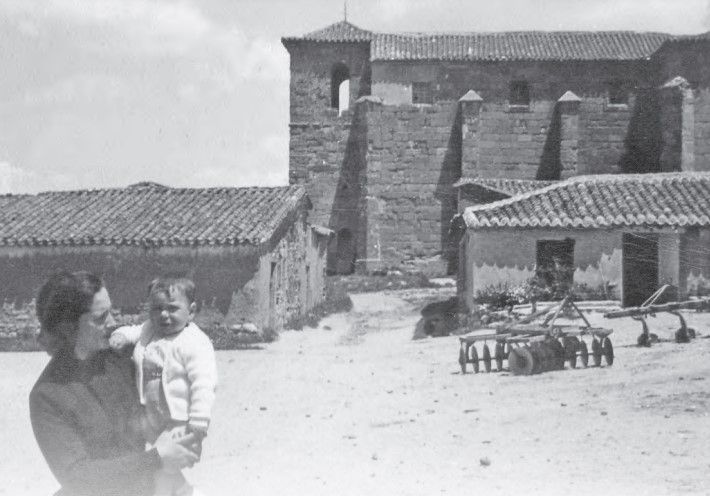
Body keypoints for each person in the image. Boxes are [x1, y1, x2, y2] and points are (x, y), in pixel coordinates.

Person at [29, 270, 200, 496]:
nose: (113, 323)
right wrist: (157, 459)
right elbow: (76, 476)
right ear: (68, 327)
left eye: (111, 312)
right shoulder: (47, 395)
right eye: (101, 318)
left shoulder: (120, 360)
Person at [110, 277, 217, 496]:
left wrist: (199, 420)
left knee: (163, 465)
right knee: (158, 465)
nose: (164, 315)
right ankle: (182, 491)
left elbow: (204, 383)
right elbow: (134, 330)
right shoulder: (149, 329)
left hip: (176, 421)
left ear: (192, 311)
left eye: (172, 309)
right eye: (157, 309)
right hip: (150, 417)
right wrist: (120, 335)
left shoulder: (194, 342)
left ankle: (182, 492)